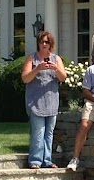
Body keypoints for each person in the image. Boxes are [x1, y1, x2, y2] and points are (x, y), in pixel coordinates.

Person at [20, 31, 67, 169]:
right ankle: (35, 160)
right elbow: (25, 78)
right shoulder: (32, 59)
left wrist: (56, 68)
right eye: (42, 42)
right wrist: (37, 69)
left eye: (47, 42)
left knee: (49, 133)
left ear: (51, 44)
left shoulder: (56, 59)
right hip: (36, 102)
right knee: (38, 132)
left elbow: (63, 77)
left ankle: (47, 160)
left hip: (51, 102)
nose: (44, 44)